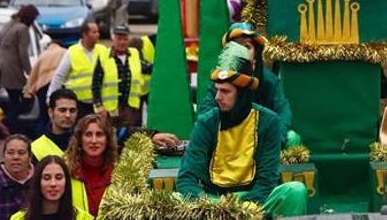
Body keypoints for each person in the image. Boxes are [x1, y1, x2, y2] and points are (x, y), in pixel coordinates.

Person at [176, 42, 308, 217]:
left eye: (225, 91)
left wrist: (245, 209)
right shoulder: (206, 122)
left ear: (242, 93)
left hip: (253, 202)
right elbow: (186, 178)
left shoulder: (268, 122)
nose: (217, 97)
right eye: (217, 90)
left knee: (295, 191)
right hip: (213, 202)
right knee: (176, 198)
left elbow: (267, 180)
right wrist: (213, 207)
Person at [199, 22, 298, 146]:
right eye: (235, 46)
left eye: (246, 46)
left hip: (261, 139)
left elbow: (283, 113)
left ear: (255, 52)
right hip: (229, 139)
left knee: (293, 138)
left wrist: (274, 137)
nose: (241, 51)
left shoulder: (270, 81)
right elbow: (205, 113)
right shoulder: (220, 79)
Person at [91, 25, 151, 129]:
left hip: (130, 109)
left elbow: (148, 68)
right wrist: (99, 105)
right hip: (109, 110)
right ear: (113, 39)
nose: (122, 42)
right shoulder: (104, 56)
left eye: (125, 39)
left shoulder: (134, 54)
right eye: (119, 39)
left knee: (131, 138)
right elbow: (96, 83)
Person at [49, 21, 108, 117]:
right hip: (79, 104)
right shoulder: (72, 52)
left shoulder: (103, 50)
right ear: (84, 34)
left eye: (98, 31)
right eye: (94, 32)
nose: (98, 34)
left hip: (99, 103)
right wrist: (50, 97)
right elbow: (59, 76)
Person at [0, 4, 40, 132]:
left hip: (3, 66)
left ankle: (8, 124)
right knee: (25, 97)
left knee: (13, 99)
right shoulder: (23, 29)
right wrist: (30, 72)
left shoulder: (11, 24)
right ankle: (7, 123)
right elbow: (23, 53)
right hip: (12, 69)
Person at [9, 155, 92, 220]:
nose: (53, 184)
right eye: (47, 178)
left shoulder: (84, 218)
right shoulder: (18, 219)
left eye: (59, 177)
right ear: (38, 182)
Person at [65, 114, 116, 217]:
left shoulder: (120, 174)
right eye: (88, 134)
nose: (94, 141)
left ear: (107, 140)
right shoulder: (65, 172)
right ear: (80, 139)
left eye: (99, 134)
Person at [26, 40, 67, 136]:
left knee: (43, 115)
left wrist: (29, 91)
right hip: (60, 84)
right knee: (60, 114)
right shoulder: (65, 52)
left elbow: (33, 74)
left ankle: (40, 138)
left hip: (43, 86)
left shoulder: (43, 55)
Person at [32, 89, 79, 159]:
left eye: (72, 110)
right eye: (62, 110)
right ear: (50, 112)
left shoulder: (83, 142)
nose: (68, 115)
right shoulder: (36, 148)